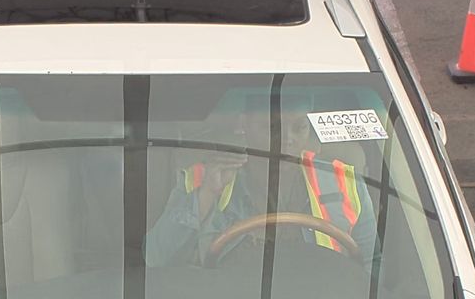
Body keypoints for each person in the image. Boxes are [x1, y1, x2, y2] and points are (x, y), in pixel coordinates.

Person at [144, 109, 379, 268]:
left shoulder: (344, 182)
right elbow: (154, 259)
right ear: (244, 125)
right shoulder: (201, 179)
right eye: (272, 127)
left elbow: (370, 268)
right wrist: (206, 194)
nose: (287, 139)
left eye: (299, 127)